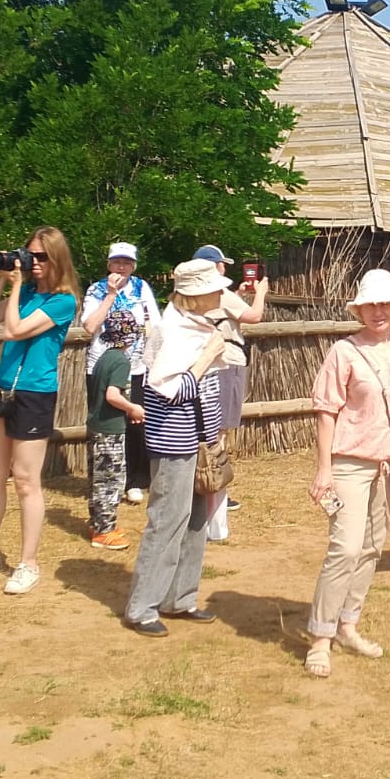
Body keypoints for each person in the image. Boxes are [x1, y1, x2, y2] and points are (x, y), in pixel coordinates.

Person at [304, 269, 390, 678]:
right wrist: (324, 471)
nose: (378, 311)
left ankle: (347, 626)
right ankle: (320, 638)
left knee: (373, 548)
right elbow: (326, 411)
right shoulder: (344, 352)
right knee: (345, 548)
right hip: (350, 463)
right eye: (371, 304)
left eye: (385, 304)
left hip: (389, 468)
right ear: (359, 308)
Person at [0, 227, 81, 595]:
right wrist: (4, 282)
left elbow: (14, 331)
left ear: (57, 260)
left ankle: (28, 563)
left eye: (40, 258)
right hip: (3, 389)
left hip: (35, 393)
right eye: (29, 256)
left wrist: (19, 287)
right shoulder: (22, 293)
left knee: (25, 480)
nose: (33, 263)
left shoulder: (62, 301)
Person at [123, 259, 231, 637]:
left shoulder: (198, 326)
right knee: (167, 521)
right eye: (214, 288)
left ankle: (180, 598)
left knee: (197, 518)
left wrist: (214, 433)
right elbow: (167, 394)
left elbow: (206, 391)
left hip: (198, 439)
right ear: (194, 295)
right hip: (173, 440)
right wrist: (204, 358)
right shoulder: (171, 332)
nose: (221, 293)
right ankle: (142, 608)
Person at [192, 243, 268, 528]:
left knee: (213, 428)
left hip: (209, 366)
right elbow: (255, 316)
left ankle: (212, 489)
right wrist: (260, 294)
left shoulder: (196, 295)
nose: (225, 268)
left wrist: (238, 296)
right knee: (220, 431)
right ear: (215, 266)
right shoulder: (219, 294)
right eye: (222, 264)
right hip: (228, 362)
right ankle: (214, 489)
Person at [79, 242, 158, 509]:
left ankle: (134, 480)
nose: (121, 267)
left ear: (134, 265)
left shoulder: (141, 287)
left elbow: (154, 324)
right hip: (102, 365)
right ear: (109, 264)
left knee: (135, 422)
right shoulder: (96, 290)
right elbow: (90, 326)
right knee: (104, 424)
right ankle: (103, 479)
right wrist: (111, 296)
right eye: (117, 262)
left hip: (135, 366)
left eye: (127, 263)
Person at [84, 307, 147, 550]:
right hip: (110, 431)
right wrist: (132, 408)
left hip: (97, 427)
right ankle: (104, 531)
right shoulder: (121, 361)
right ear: (131, 337)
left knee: (97, 479)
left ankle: (98, 523)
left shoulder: (104, 358)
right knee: (111, 480)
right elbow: (112, 395)